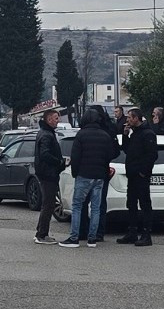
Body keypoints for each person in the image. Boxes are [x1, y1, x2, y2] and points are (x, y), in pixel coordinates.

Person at [61, 108, 116, 248]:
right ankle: (93, 238)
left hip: (84, 174)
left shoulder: (81, 135)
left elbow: (75, 156)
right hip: (100, 176)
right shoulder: (105, 135)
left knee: (78, 206)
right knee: (96, 207)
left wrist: (75, 173)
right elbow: (111, 154)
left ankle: (74, 237)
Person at [118, 108, 158, 246]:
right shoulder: (135, 133)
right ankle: (132, 232)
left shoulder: (147, 134)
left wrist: (143, 172)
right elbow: (127, 150)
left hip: (141, 176)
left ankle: (146, 235)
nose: (127, 120)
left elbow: (152, 155)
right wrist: (125, 135)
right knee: (131, 204)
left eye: (129, 117)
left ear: (136, 118)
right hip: (132, 175)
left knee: (145, 204)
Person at [80, 104, 120, 242]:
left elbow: (77, 151)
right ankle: (98, 232)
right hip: (102, 169)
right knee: (99, 203)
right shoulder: (109, 129)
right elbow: (115, 151)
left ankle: (83, 231)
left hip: (86, 170)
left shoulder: (84, 130)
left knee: (83, 202)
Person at [33, 109, 68, 245]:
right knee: (48, 204)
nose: (58, 120)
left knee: (48, 203)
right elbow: (45, 154)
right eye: (55, 118)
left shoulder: (46, 133)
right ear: (48, 120)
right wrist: (59, 162)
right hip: (48, 174)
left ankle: (41, 231)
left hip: (47, 173)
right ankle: (42, 234)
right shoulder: (46, 135)